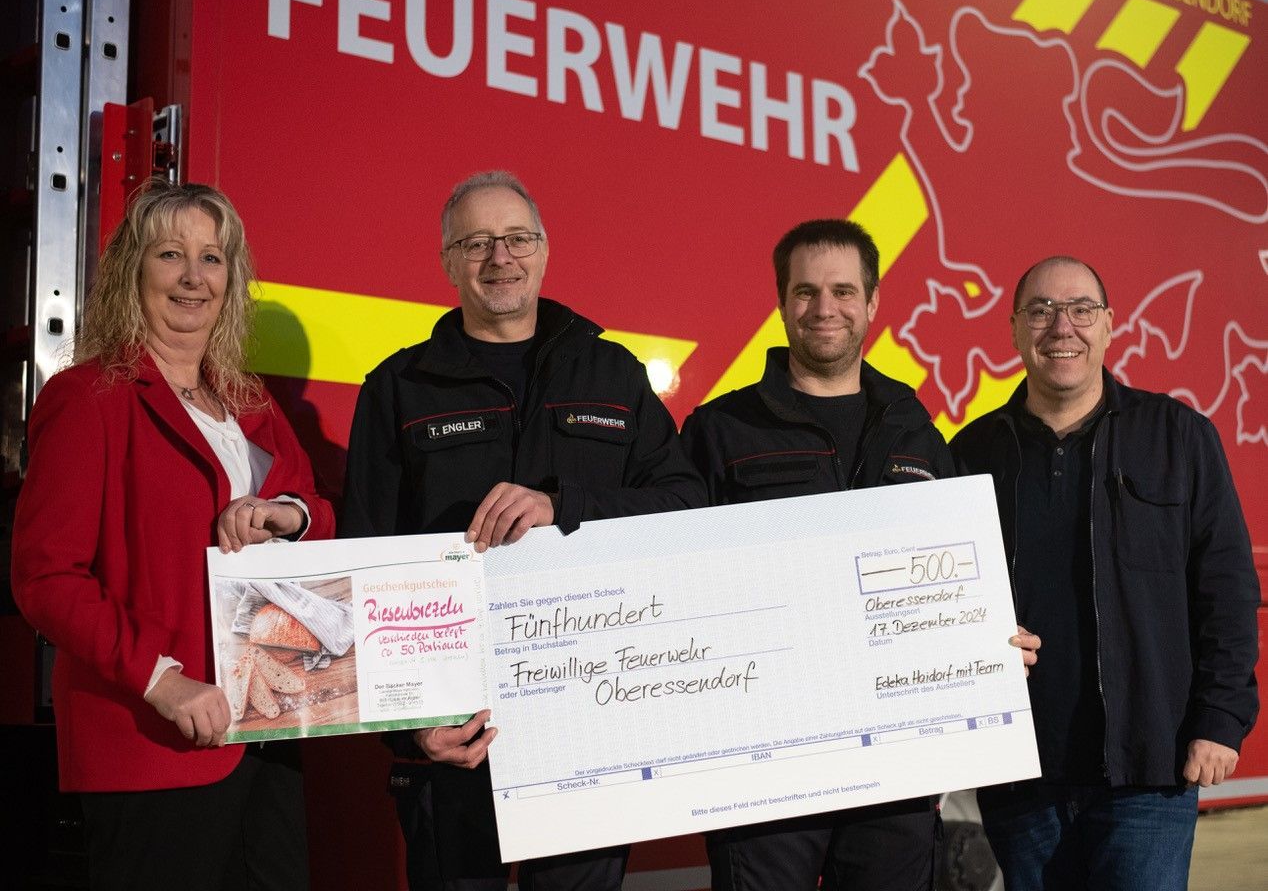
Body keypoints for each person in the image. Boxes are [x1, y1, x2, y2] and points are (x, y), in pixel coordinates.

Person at [340, 169, 705, 890]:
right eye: (475, 243)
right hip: (453, 734)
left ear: (544, 249)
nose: (499, 257)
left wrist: (563, 505)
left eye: (516, 238)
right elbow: (364, 566)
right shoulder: (399, 388)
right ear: (447, 262)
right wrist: (410, 727)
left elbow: (684, 506)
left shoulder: (612, 373)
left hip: (589, 720)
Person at [680, 219, 1035, 891]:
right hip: (766, 762)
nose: (825, 308)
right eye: (806, 291)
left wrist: (990, 640)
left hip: (897, 759)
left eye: (843, 291)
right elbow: (670, 585)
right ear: (782, 302)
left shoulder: (916, 431)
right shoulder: (720, 431)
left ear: (872, 303)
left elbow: (953, 571)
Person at [11, 179, 335, 890]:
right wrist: (161, 680)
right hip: (153, 742)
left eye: (211, 258)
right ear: (134, 271)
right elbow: (45, 578)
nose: (194, 276)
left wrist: (290, 514)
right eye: (170, 255)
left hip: (266, 731)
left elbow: (317, 510)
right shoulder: (89, 397)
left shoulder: (250, 400)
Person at [950, 256, 1260, 891]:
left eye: (1080, 310)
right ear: (1014, 328)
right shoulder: (971, 453)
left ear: (1110, 324)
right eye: (1041, 310)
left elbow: (1226, 591)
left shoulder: (1180, 438)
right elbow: (941, 601)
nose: (1061, 326)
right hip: (1020, 775)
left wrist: (1220, 720)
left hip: (1150, 770)